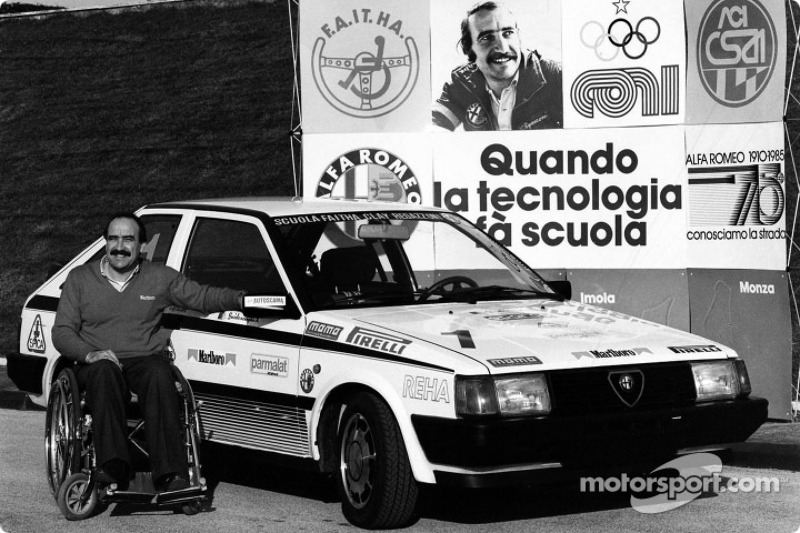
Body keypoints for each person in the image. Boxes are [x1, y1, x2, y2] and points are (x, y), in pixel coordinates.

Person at [53, 213, 245, 492]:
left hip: (143, 359)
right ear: (105, 243)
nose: (120, 246)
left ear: (142, 245)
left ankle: (172, 475)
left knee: (159, 372)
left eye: (128, 239)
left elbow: (201, 297)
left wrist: (239, 299)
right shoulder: (80, 279)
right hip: (95, 361)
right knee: (105, 372)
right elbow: (62, 332)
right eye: (114, 239)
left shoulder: (159, 277)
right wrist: (90, 353)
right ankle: (113, 464)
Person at [432, 1, 563, 131]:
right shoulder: (463, 83)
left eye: (508, 33)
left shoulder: (558, 78)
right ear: (469, 49)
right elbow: (433, 127)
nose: (502, 47)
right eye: (487, 38)